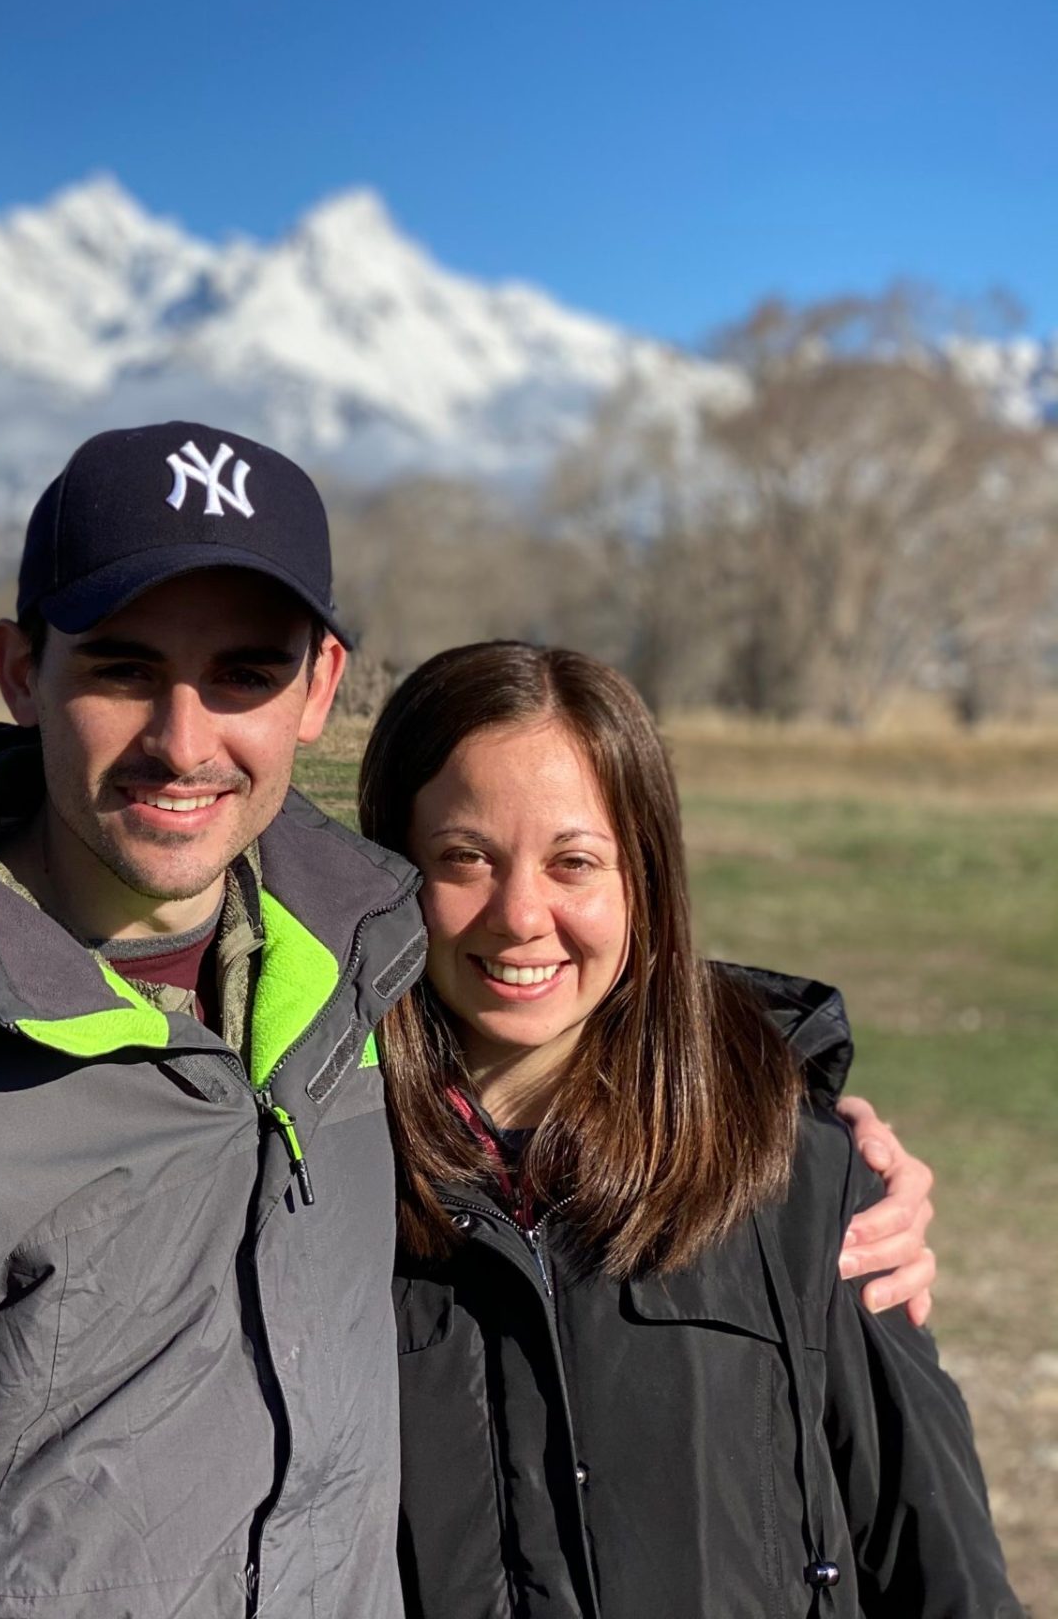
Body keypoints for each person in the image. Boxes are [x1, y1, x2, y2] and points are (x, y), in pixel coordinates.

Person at [0, 424, 937, 1619]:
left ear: (319, 690)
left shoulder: (353, 984)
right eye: (123, 668)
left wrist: (803, 1126)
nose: (182, 738)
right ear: (20, 671)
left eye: (244, 674)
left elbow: (574, 991)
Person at [358, 642, 1016, 1618]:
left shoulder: (797, 1182)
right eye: (465, 858)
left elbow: (939, 1570)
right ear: (392, 869)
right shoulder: (315, 1183)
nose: (521, 914)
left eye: (574, 862)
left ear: (645, 883)